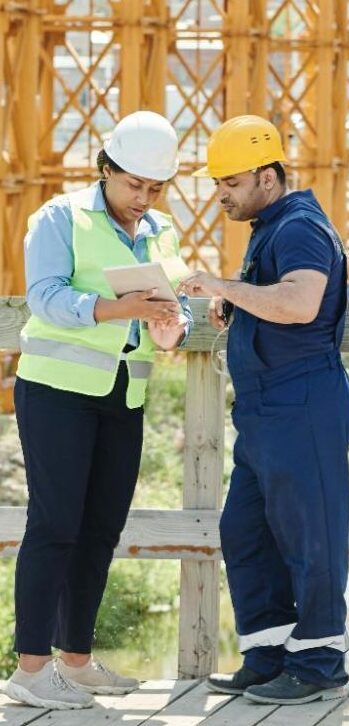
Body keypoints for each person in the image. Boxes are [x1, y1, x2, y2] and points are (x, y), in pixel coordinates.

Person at [2, 111, 192, 710]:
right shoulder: (60, 217)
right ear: (106, 169)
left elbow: (173, 309)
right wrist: (120, 307)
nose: (144, 198)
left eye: (155, 188)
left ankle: (76, 662)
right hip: (57, 390)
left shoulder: (161, 229)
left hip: (123, 394)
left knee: (100, 531)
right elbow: (47, 298)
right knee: (54, 525)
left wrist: (172, 325)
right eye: (134, 184)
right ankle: (30, 672)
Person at [178, 115, 349, 706]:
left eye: (230, 181)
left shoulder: (300, 226)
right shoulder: (270, 225)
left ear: (267, 175)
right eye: (217, 182)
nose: (220, 193)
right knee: (246, 530)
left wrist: (224, 288)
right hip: (265, 412)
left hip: (301, 402)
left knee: (312, 536)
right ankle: (270, 654)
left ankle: (322, 663)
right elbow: (273, 299)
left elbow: (301, 303)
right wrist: (242, 306)